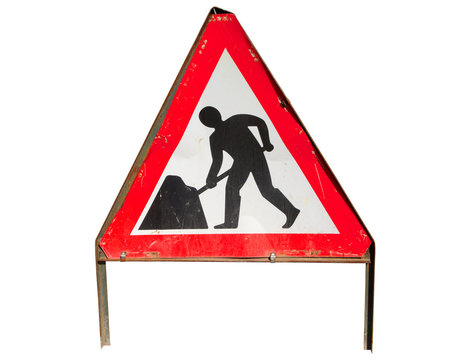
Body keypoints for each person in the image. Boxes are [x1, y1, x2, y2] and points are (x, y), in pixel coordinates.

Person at [199, 106, 300, 229]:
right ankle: (231, 222)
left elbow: (259, 122)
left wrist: (266, 142)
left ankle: (291, 211)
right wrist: (211, 177)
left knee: (260, 189)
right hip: (243, 161)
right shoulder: (216, 137)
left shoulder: (234, 121)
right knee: (241, 189)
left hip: (253, 156)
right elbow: (217, 160)